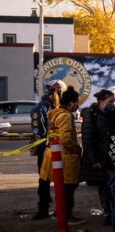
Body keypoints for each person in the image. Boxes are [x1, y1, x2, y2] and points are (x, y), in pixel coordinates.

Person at [39, 86, 83, 222]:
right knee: (69, 188)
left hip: (52, 154)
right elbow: (65, 138)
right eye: (76, 102)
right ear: (70, 102)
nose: (77, 105)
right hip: (65, 157)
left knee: (63, 188)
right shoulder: (65, 116)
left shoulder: (55, 113)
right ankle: (65, 215)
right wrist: (78, 148)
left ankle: (61, 213)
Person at [29, 79, 66, 220]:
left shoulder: (56, 108)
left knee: (61, 180)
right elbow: (40, 135)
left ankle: (62, 209)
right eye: (61, 93)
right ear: (55, 92)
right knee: (44, 180)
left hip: (58, 150)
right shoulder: (40, 109)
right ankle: (43, 209)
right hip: (45, 151)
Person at [81, 89, 115, 225]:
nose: (112, 104)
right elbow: (88, 140)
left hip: (111, 157)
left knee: (112, 186)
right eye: (110, 102)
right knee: (104, 186)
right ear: (101, 102)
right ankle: (108, 213)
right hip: (100, 158)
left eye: (113, 101)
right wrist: (94, 160)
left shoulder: (112, 113)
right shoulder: (91, 116)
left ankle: (114, 212)